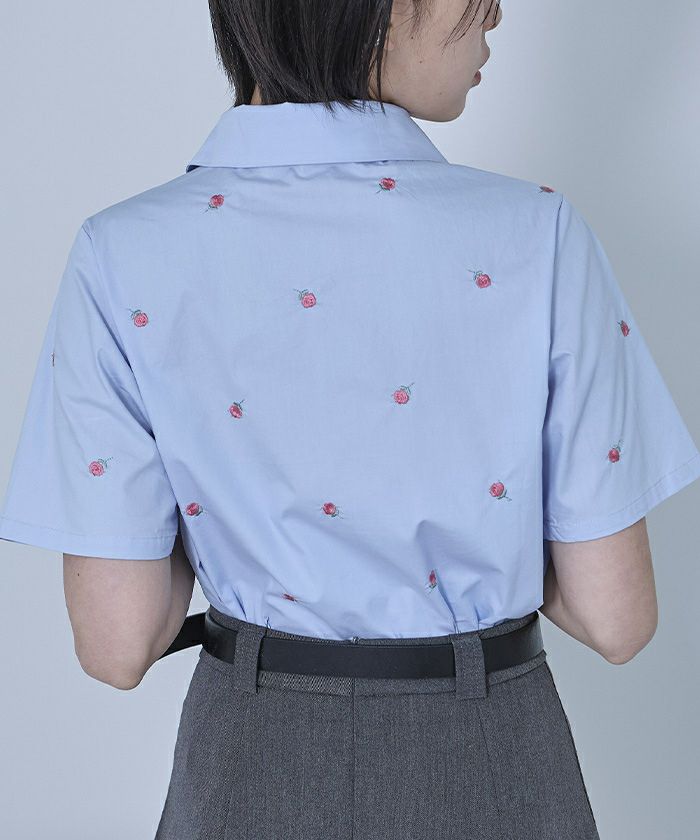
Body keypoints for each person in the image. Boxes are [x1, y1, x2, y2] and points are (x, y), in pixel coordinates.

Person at [1, 1, 699, 837]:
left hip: (247, 759)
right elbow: (616, 620)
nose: (496, 13)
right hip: (489, 752)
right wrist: (480, 538)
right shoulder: (540, 234)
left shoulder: (121, 252)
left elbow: (118, 644)